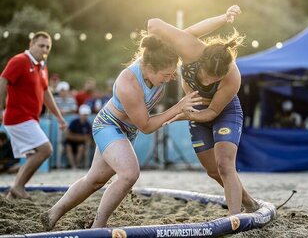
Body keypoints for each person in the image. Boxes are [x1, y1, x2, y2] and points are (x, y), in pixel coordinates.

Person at [41, 34, 202, 230]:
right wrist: (178, 108)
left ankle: (52, 214)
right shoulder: (129, 82)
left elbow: (186, 35)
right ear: (150, 68)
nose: (170, 78)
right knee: (129, 174)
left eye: (171, 74)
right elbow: (147, 126)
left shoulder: (160, 63)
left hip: (127, 130)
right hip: (109, 125)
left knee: (94, 180)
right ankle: (98, 227)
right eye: (166, 75)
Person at [148, 5, 260, 215]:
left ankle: (233, 218)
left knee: (225, 165)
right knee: (213, 171)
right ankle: (249, 202)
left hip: (224, 111)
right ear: (202, 60)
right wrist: (223, 18)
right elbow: (154, 24)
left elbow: (212, 113)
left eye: (215, 79)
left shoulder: (233, 76)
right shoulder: (192, 49)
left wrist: (183, 115)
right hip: (196, 107)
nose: (208, 81)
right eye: (207, 74)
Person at [0, 31, 67, 199]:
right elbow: (3, 80)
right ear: (31, 44)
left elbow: (46, 93)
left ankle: (12, 195)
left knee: (33, 156)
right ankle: (18, 187)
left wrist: (58, 117)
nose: (44, 49)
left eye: (47, 47)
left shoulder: (42, 65)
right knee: (45, 150)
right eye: (41, 45)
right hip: (18, 117)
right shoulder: (19, 60)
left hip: (30, 119)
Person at [63, 104, 92, 169]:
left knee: (81, 147)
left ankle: (75, 165)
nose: (85, 116)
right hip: (71, 142)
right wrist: (81, 137)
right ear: (80, 114)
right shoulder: (74, 122)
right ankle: (73, 165)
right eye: (84, 115)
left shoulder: (88, 124)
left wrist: (75, 137)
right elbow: (68, 136)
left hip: (79, 143)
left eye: (86, 115)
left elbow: (88, 138)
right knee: (68, 147)